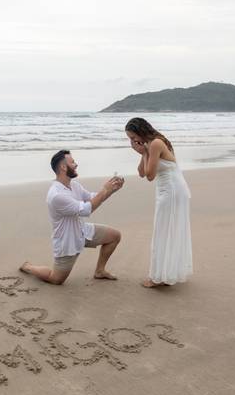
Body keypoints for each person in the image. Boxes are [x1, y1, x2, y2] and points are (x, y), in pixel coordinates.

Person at [20, 150, 124, 285]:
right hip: (67, 240)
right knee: (56, 279)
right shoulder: (57, 195)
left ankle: (99, 271)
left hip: (82, 230)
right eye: (73, 162)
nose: (76, 164)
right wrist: (105, 189)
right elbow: (86, 209)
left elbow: (92, 198)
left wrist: (112, 190)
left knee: (115, 236)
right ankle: (28, 267)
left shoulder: (74, 185)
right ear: (63, 167)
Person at [125, 117, 193, 288]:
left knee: (163, 231)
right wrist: (142, 153)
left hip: (172, 190)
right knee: (165, 230)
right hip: (167, 189)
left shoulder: (155, 143)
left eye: (133, 137)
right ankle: (166, 273)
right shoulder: (149, 145)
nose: (132, 141)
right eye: (130, 139)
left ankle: (157, 277)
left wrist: (145, 153)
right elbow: (141, 172)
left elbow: (150, 176)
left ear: (140, 132)